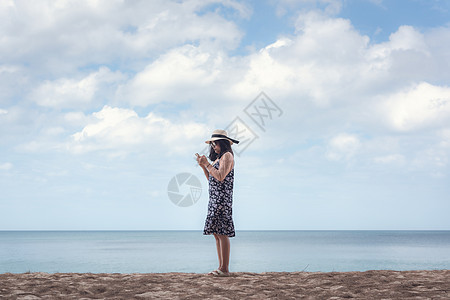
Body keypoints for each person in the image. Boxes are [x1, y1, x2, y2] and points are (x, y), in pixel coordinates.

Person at [197, 129, 239, 277]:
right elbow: (212, 179)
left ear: (222, 143)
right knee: (216, 233)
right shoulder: (218, 158)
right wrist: (203, 165)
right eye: (212, 144)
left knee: (222, 233)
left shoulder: (227, 156)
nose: (213, 146)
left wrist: (207, 165)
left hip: (222, 199)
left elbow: (220, 177)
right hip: (215, 198)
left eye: (215, 143)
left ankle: (225, 269)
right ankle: (221, 267)